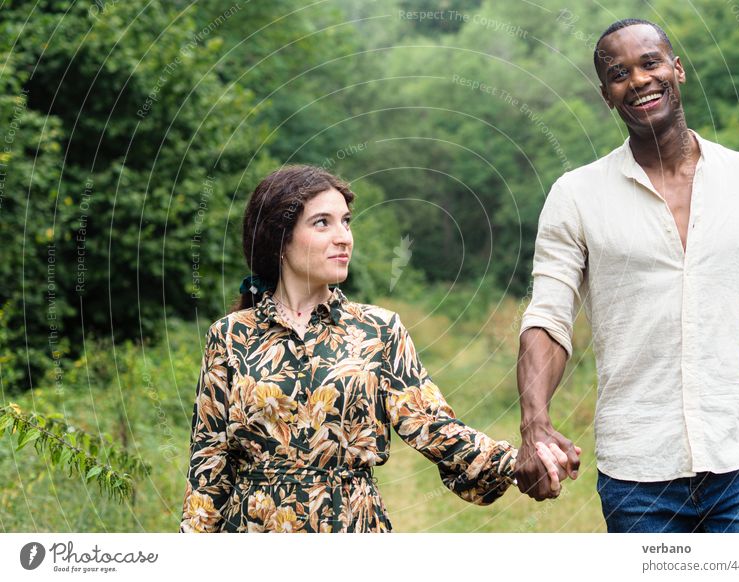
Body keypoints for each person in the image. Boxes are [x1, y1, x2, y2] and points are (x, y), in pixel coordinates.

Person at [515, 18, 739, 532]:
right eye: (619, 73)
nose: (639, 80)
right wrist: (535, 424)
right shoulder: (576, 195)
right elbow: (550, 319)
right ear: (607, 96)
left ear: (677, 69)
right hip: (637, 480)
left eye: (650, 62)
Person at [179, 165, 561, 532]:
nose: (343, 236)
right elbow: (209, 465)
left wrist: (514, 462)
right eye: (322, 223)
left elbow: (431, 425)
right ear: (279, 237)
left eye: (346, 221)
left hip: (350, 526)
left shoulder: (378, 330)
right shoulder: (230, 336)